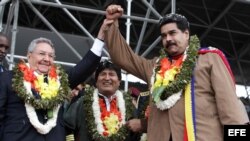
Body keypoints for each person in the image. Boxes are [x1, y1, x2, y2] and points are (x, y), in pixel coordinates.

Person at [97, 4, 250, 141]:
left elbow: (230, 108)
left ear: (186, 34)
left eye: (172, 33)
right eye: (163, 36)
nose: (168, 39)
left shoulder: (208, 59)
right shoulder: (155, 67)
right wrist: (111, 25)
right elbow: (123, 58)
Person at [0, 37, 104, 141]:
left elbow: (85, 67)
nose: (46, 59)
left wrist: (101, 37)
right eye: (42, 54)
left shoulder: (59, 81)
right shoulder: (8, 78)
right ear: (29, 55)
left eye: (51, 56)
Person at [64, 60, 142, 141]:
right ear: (96, 81)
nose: (107, 78)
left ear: (119, 81)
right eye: (103, 74)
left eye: (111, 74)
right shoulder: (82, 102)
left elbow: (136, 136)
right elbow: (68, 128)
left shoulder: (129, 105)